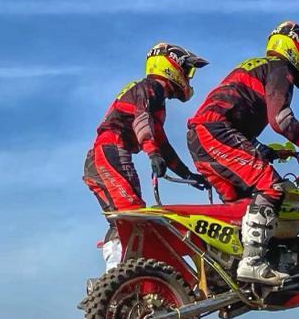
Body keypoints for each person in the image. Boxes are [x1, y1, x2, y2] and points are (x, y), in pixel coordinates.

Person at [187, 21, 299, 285]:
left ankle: (223, 273)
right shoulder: (281, 69)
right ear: (295, 47)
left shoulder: (258, 67)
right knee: (273, 187)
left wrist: (265, 151)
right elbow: (281, 120)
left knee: (241, 206)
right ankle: (253, 262)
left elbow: (238, 118)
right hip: (214, 131)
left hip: (208, 135)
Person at [83, 43, 211, 268]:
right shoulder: (152, 87)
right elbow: (141, 121)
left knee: (120, 219)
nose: (189, 78)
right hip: (112, 149)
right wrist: (152, 153)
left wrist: (188, 175)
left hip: (97, 157)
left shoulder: (153, 97)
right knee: (133, 216)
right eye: (187, 70)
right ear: (171, 65)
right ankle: (122, 275)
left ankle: (114, 276)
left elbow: (163, 145)